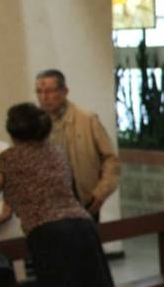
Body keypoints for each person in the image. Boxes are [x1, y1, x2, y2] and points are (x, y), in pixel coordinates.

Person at [0, 104, 115, 287]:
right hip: (82, 226)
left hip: (49, 234)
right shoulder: (55, 153)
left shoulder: (8, 160)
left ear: (12, 132)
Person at [35, 68, 120, 220]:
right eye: (39, 91)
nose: (44, 97)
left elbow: (110, 159)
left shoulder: (87, 119)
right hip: (48, 203)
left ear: (64, 91)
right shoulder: (34, 123)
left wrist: (101, 193)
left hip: (83, 199)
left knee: (85, 242)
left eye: (49, 91)